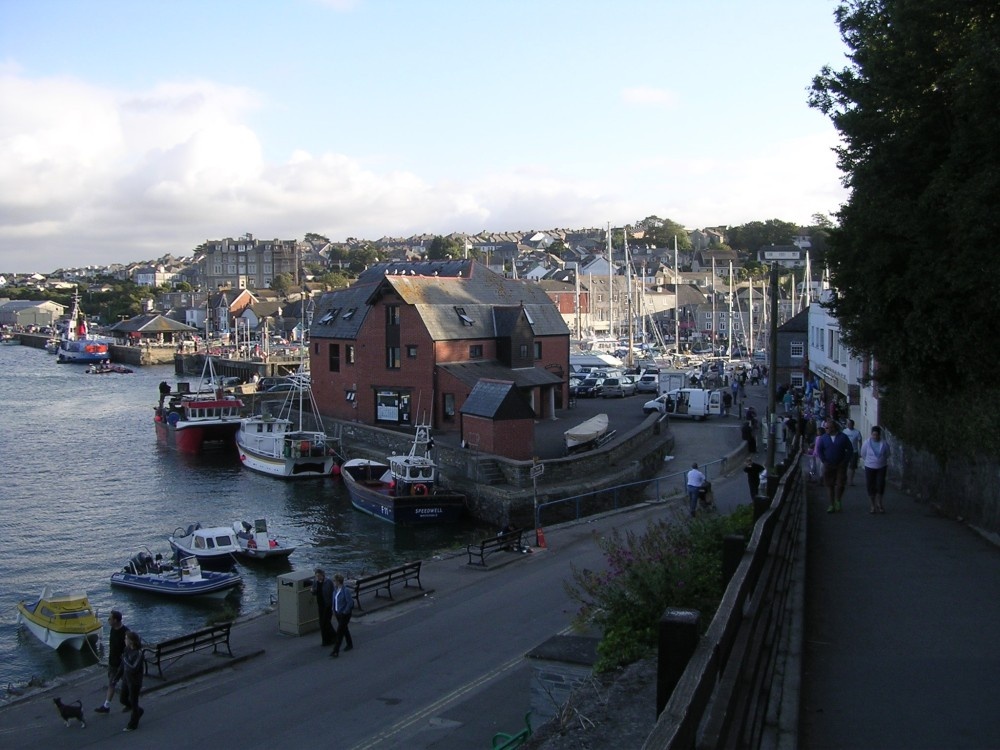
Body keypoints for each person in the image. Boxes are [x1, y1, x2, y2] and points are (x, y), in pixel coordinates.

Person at [94, 610, 130, 714]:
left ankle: (130, 703)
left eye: (110, 618)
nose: (108, 620)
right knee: (111, 683)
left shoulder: (126, 632)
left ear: (115, 620)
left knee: (126, 684)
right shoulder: (112, 629)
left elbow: (129, 648)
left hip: (122, 664)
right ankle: (106, 706)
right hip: (112, 663)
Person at [817, 419, 854, 513]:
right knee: (829, 484)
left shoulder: (843, 437)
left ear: (833, 428)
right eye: (825, 427)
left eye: (827, 427)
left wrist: (845, 461)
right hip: (828, 464)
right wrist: (824, 461)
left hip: (840, 464)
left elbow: (850, 449)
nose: (825, 429)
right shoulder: (823, 438)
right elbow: (819, 450)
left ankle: (838, 500)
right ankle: (831, 504)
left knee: (840, 483)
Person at [115, 631, 145, 732]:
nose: (124, 640)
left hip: (135, 682)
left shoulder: (139, 653)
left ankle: (133, 724)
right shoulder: (126, 649)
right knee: (123, 699)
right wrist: (117, 677)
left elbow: (134, 668)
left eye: (126, 638)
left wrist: (124, 659)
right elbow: (122, 666)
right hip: (126, 679)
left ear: (131, 641)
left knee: (134, 701)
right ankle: (137, 711)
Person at [859, 425, 891, 513]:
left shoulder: (884, 443)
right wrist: (869, 461)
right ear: (871, 434)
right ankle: (872, 505)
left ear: (879, 435)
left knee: (880, 484)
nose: (875, 437)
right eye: (873, 435)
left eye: (876, 435)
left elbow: (888, 454)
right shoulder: (867, 443)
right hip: (870, 466)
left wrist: (881, 460)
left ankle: (879, 503)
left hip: (881, 466)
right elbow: (863, 453)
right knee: (870, 485)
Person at [330, 574, 354, 657]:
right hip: (338, 613)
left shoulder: (345, 591)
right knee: (344, 629)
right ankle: (349, 644)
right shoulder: (335, 590)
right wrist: (333, 610)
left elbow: (350, 602)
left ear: (338, 581)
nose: (334, 582)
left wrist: (345, 612)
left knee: (340, 631)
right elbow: (334, 601)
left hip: (344, 614)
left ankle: (336, 650)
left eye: (334, 581)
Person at [312, 568, 335, 647]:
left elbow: (332, 593)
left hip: (327, 605)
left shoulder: (328, 582)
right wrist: (312, 591)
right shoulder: (316, 582)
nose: (317, 577)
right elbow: (315, 592)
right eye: (316, 576)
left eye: (319, 576)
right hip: (320, 604)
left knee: (326, 622)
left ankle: (332, 637)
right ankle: (326, 640)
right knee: (322, 623)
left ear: (322, 575)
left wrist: (333, 605)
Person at [841, 419, 863, 486]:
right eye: (848, 424)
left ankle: (850, 481)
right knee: (844, 466)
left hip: (854, 451)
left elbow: (860, 441)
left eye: (850, 424)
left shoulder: (857, 432)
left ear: (853, 424)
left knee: (852, 467)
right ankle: (844, 479)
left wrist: (860, 450)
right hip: (845, 451)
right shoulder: (844, 431)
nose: (848, 425)